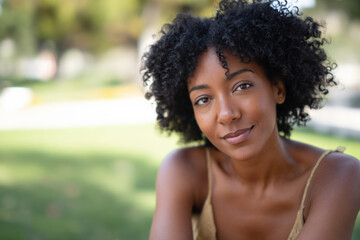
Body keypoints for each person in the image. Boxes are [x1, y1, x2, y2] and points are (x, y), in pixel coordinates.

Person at [141, 0, 360, 239]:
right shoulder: (184, 171)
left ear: (278, 89)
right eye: (203, 99)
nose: (226, 114)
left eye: (242, 86)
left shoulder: (339, 176)